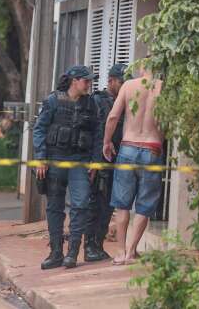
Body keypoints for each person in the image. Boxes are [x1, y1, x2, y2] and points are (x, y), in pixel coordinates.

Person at [33, 65, 103, 270]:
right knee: (54, 206)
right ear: (75, 81)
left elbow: (98, 136)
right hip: (55, 159)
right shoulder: (53, 100)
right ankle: (55, 253)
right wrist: (40, 158)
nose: (89, 84)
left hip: (80, 161)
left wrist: (96, 161)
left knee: (80, 205)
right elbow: (40, 130)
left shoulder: (92, 104)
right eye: (86, 80)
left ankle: (72, 253)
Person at [103, 62, 163, 266]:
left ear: (141, 67)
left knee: (122, 204)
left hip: (128, 147)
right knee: (144, 205)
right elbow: (169, 124)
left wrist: (107, 141)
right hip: (152, 149)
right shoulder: (163, 88)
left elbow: (112, 117)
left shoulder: (128, 86)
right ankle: (131, 251)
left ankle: (120, 252)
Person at [85, 63, 127, 262]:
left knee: (108, 205)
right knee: (95, 204)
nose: (125, 85)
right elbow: (91, 133)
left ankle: (98, 245)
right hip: (98, 161)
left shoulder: (125, 101)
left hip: (115, 160)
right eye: (122, 82)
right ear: (111, 81)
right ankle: (89, 247)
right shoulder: (96, 101)